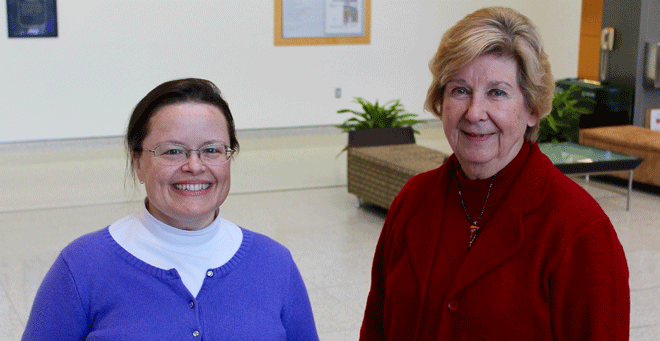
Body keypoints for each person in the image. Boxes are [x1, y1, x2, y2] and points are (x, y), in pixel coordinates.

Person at [360, 7, 629, 340]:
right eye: (460, 90)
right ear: (441, 101)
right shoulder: (412, 202)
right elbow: (375, 329)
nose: (475, 113)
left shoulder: (580, 231)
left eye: (497, 92)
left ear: (532, 108)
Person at [22, 78, 319, 340]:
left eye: (212, 150)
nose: (194, 166)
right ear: (138, 162)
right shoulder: (83, 267)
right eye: (173, 151)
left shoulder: (275, 263)